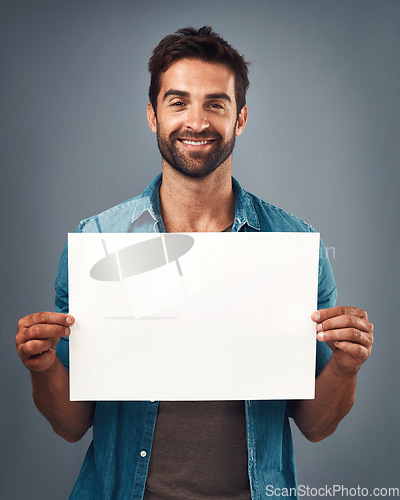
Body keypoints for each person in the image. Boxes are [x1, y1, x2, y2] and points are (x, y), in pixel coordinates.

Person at [16, 26, 373, 500]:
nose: (197, 122)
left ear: (240, 118)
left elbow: (317, 425)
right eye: (178, 102)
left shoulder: (295, 246)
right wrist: (42, 369)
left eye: (215, 104)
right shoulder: (99, 240)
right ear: (153, 115)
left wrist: (345, 368)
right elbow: (70, 425)